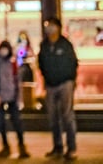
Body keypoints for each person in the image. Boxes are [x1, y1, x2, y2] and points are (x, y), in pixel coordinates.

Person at [39, 16, 78, 160]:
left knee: (67, 116)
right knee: (53, 118)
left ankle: (72, 148)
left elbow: (73, 63)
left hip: (65, 84)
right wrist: (46, 78)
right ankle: (58, 147)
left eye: (52, 25)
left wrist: (71, 80)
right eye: (48, 25)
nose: (49, 28)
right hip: (50, 85)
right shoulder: (44, 45)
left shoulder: (65, 44)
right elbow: (41, 63)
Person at [0, 40, 29, 159]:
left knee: (16, 122)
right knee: (0, 123)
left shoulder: (12, 64)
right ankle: (5, 146)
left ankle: (21, 145)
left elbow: (17, 81)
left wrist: (19, 98)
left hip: (12, 96)